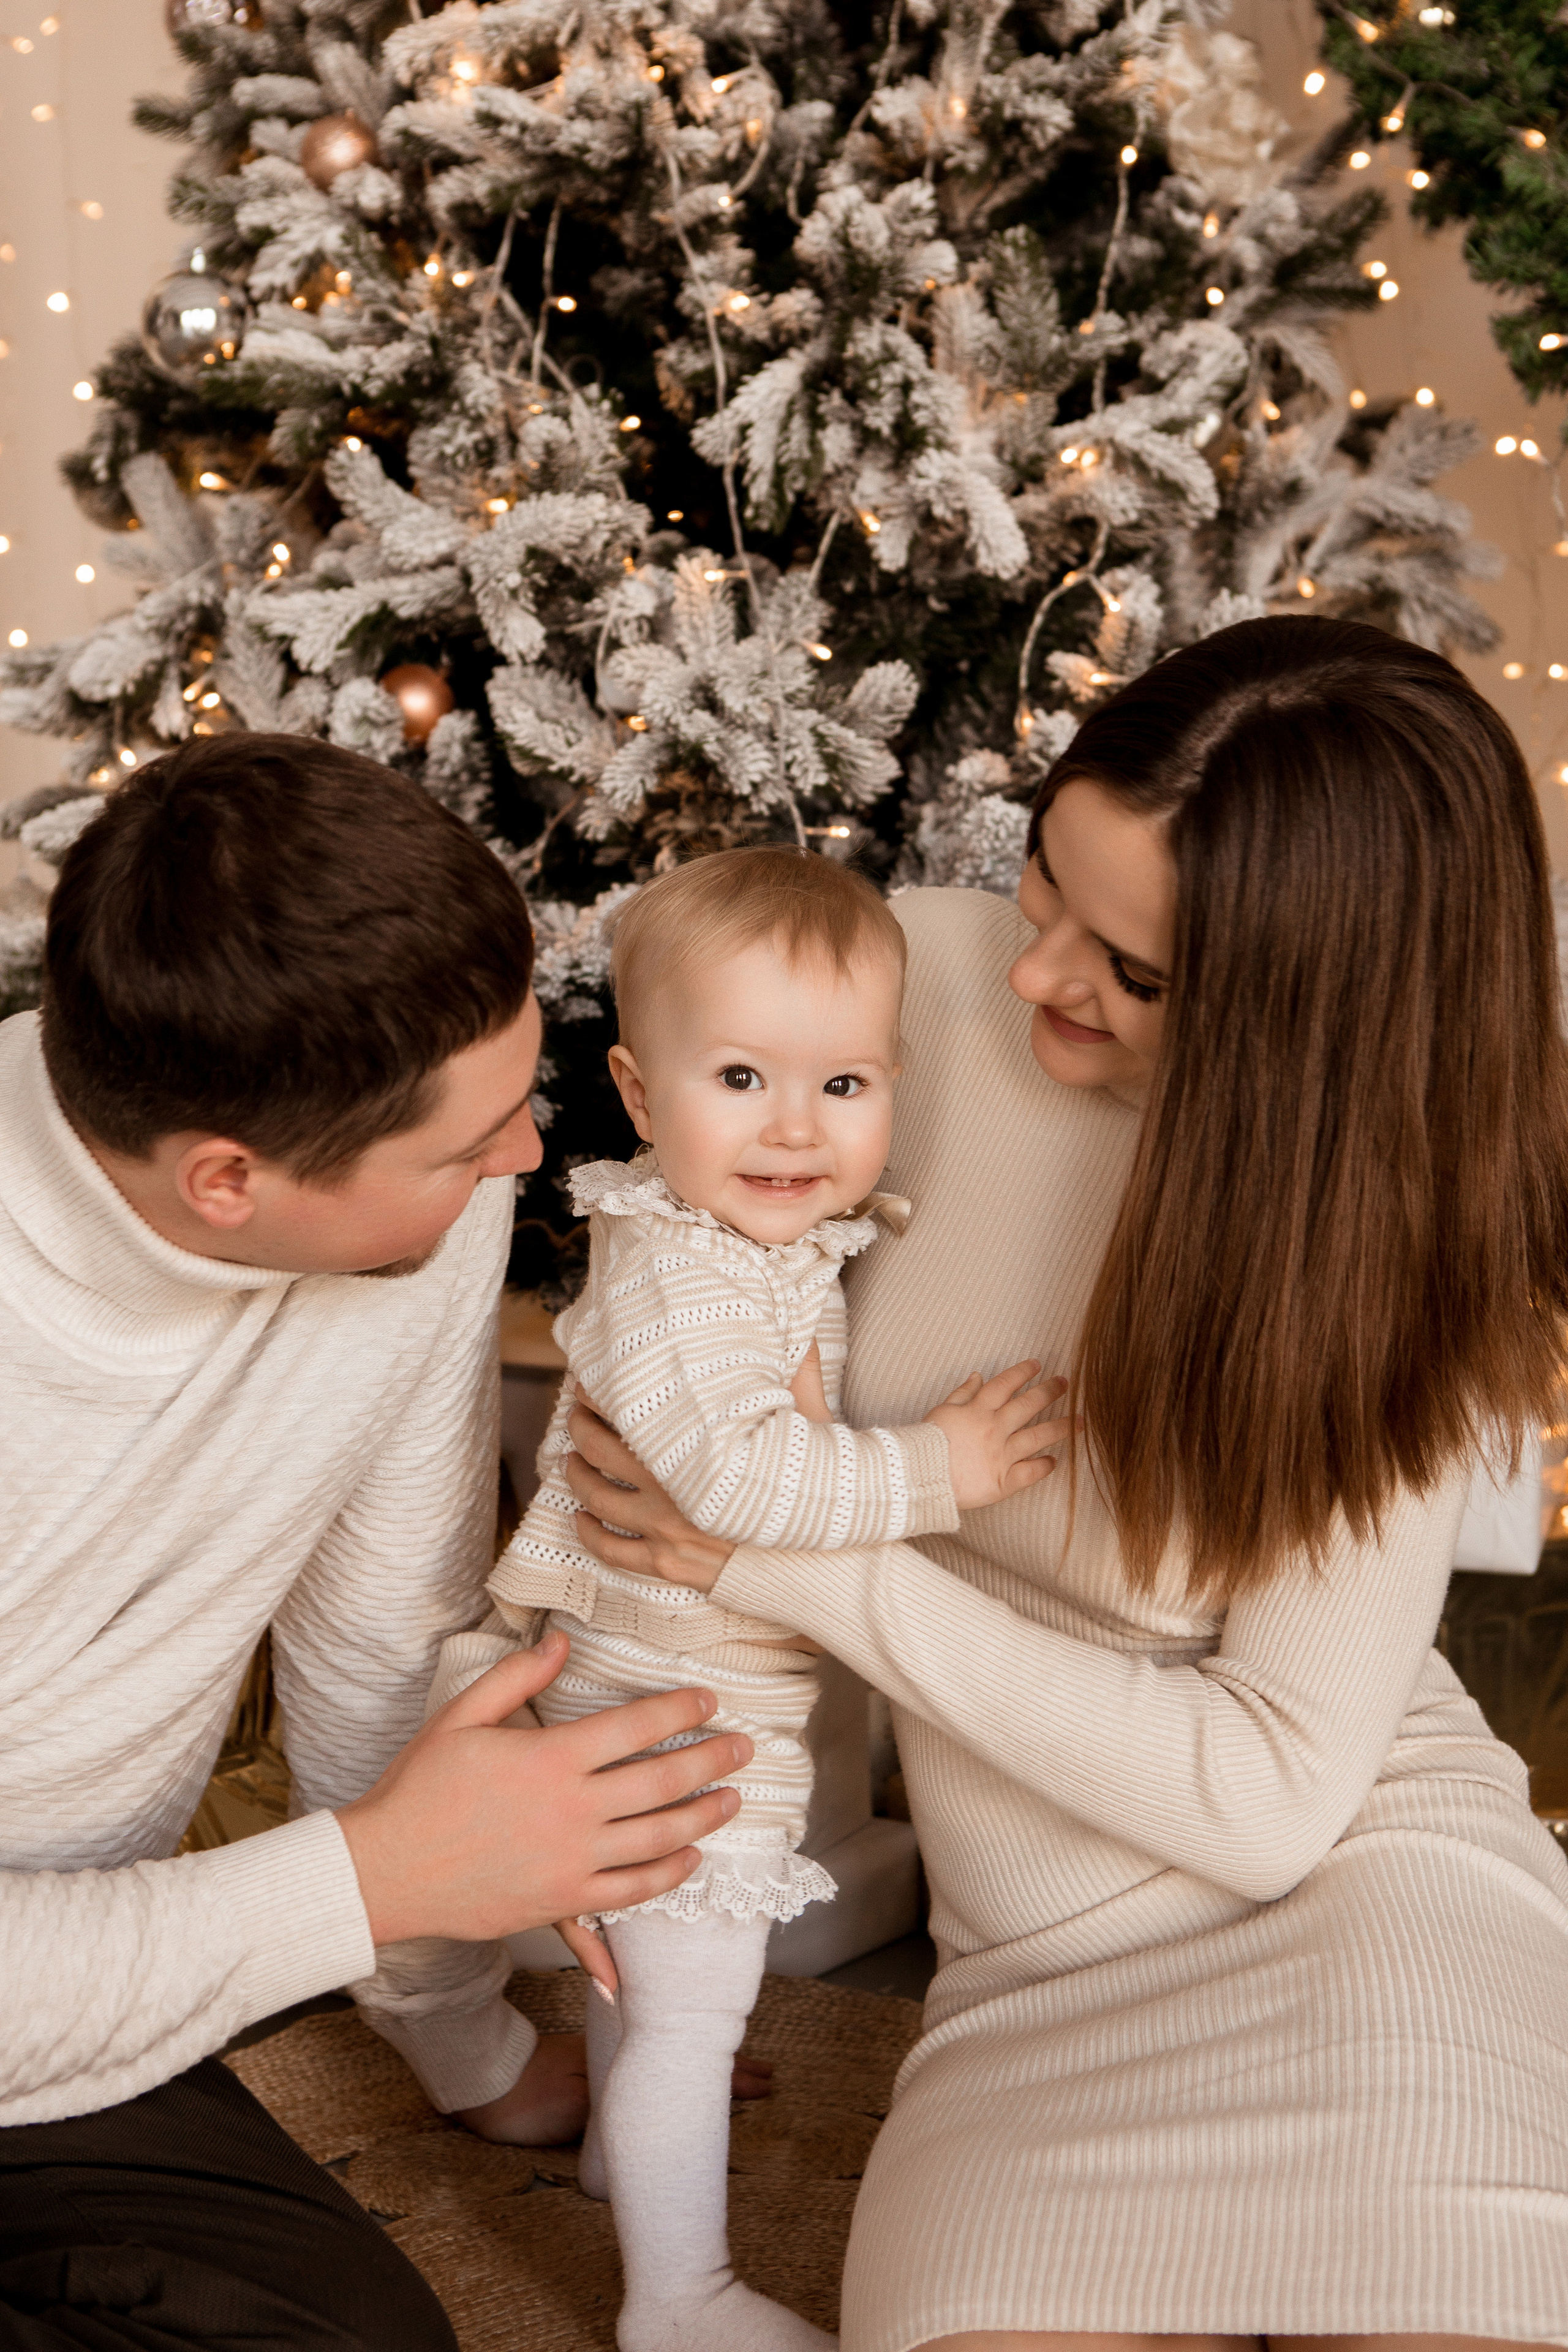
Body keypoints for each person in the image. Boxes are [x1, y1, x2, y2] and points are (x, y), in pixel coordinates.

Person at [539, 620, 1568, 2352]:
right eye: (1045, 888)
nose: (1036, 979)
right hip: (1032, 1969)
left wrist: (788, 1571)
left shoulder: (1398, 1254)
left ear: (1301, 1018)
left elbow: (1266, 1795)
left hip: (1367, 1906)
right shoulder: (902, 989)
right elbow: (672, 1357)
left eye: (1135, 971)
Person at [0, 735, 761, 2352]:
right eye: (464, 1146)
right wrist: (367, 1881)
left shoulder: (423, 1211)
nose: (525, 1162)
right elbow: (377, 1851)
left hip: (65, 2011)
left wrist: (464, 2044)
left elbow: (383, 1649)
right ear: (228, 1181)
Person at [473, 848, 1060, 2352]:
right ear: (639, 1088)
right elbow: (732, 1487)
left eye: (844, 1087)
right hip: (677, 1704)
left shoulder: (734, 1239)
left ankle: (620, 2158)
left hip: (658, 1683)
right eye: (740, 1077)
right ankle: (679, 2301)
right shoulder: (689, 1277)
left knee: (646, 1980)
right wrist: (943, 1469)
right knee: (688, 2011)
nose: (796, 1127)